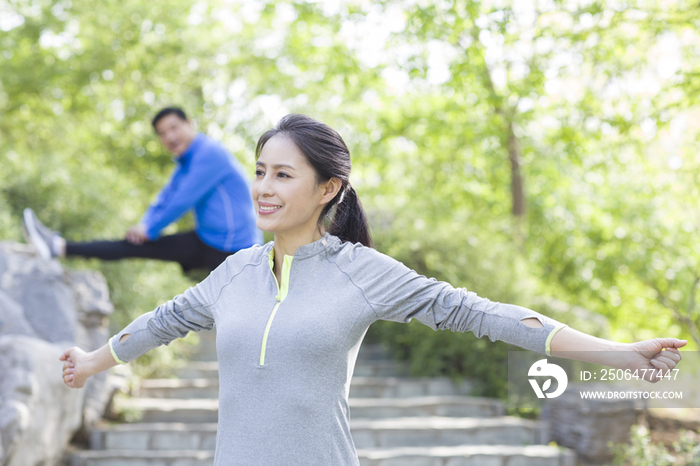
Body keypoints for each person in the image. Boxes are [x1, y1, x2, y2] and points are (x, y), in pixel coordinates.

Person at [59, 114, 686, 466]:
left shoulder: (361, 270)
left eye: (283, 174)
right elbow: (160, 321)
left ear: (329, 189)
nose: (264, 188)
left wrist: (618, 352)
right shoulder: (234, 272)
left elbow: (481, 314)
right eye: (259, 172)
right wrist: (92, 361)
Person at [22, 107, 262, 273]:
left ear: (190, 124)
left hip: (234, 250)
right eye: (162, 133)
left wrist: (151, 229)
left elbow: (181, 200)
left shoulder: (210, 153)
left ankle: (58, 247)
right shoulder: (186, 161)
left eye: (173, 127)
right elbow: (165, 197)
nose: (169, 136)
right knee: (133, 245)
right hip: (208, 240)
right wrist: (145, 225)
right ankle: (58, 247)